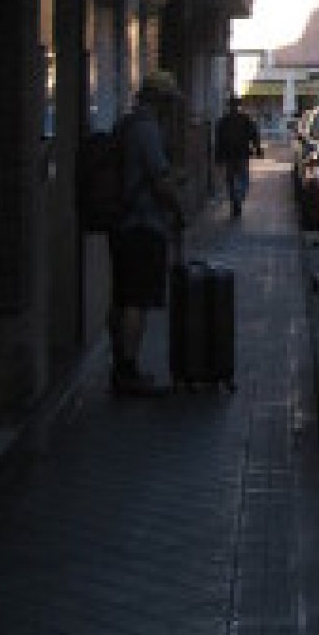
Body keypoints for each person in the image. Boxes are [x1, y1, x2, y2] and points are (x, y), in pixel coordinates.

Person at [109, 71, 185, 396]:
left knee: (123, 296)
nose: (172, 108)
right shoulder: (147, 130)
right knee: (136, 300)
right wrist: (177, 207)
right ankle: (128, 370)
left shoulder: (125, 125)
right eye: (169, 101)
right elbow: (160, 181)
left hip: (123, 223)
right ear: (159, 100)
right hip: (142, 225)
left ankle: (119, 365)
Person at [214, 92, 263, 216]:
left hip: (231, 155)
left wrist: (218, 157)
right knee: (242, 179)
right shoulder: (244, 119)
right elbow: (254, 135)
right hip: (240, 154)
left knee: (232, 180)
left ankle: (235, 201)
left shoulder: (223, 121)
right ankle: (238, 199)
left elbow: (218, 140)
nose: (234, 107)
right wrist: (257, 149)